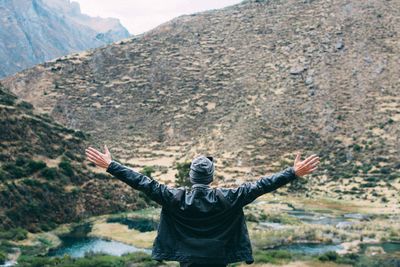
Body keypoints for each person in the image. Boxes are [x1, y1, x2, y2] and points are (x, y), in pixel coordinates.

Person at [85, 145, 319, 266]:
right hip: (219, 260)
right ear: (212, 177)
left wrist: (111, 165)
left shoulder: (173, 197)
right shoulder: (231, 197)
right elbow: (263, 185)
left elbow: (142, 182)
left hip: (187, 261)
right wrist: (293, 172)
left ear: (190, 176)